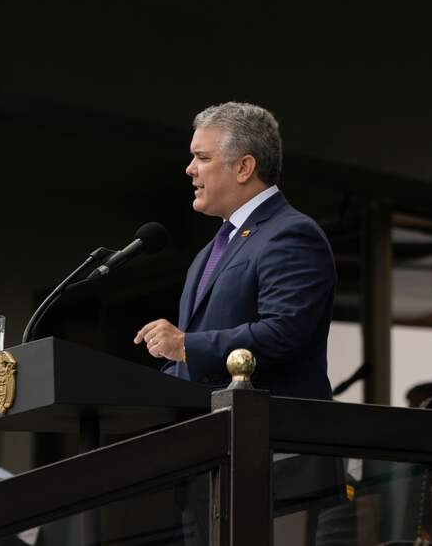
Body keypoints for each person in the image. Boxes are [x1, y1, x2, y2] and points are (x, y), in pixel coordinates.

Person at [134, 101, 335, 399]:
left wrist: (186, 346)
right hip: (214, 431)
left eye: (202, 157)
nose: (189, 169)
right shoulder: (210, 250)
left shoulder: (291, 233)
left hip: (272, 434)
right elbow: (194, 364)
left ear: (243, 167)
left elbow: (284, 332)